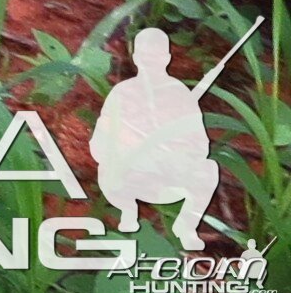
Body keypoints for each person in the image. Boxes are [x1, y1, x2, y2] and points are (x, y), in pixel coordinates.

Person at [93, 26, 223, 250]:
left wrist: (174, 149)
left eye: (156, 56)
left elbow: (200, 145)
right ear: (136, 58)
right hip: (129, 172)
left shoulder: (180, 94)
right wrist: (128, 147)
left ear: (167, 58)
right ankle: (127, 211)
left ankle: (186, 226)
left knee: (208, 169)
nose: (150, 62)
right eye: (145, 56)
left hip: (167, 173)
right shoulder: (122, 92)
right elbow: (100, 142)